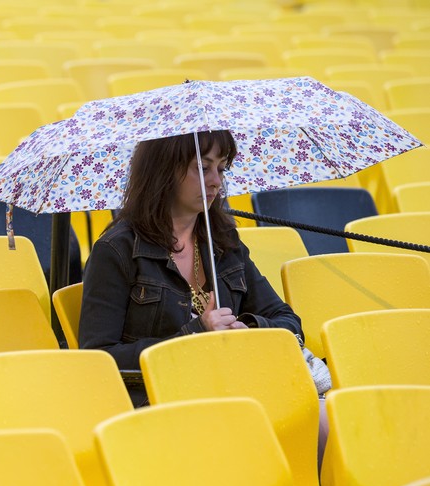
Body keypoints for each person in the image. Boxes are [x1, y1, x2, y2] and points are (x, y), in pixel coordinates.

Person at [78, 130, 303, 406]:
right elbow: (99, 358)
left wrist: (249, 329)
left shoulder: (224, 241)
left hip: (232, 388)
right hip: (158, 402)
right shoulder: (116, 250)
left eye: (221, 168)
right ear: (164, 169)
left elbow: (287, 321)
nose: (215, 182)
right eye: (202, 168)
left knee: (319, 415)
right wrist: (195, 336)